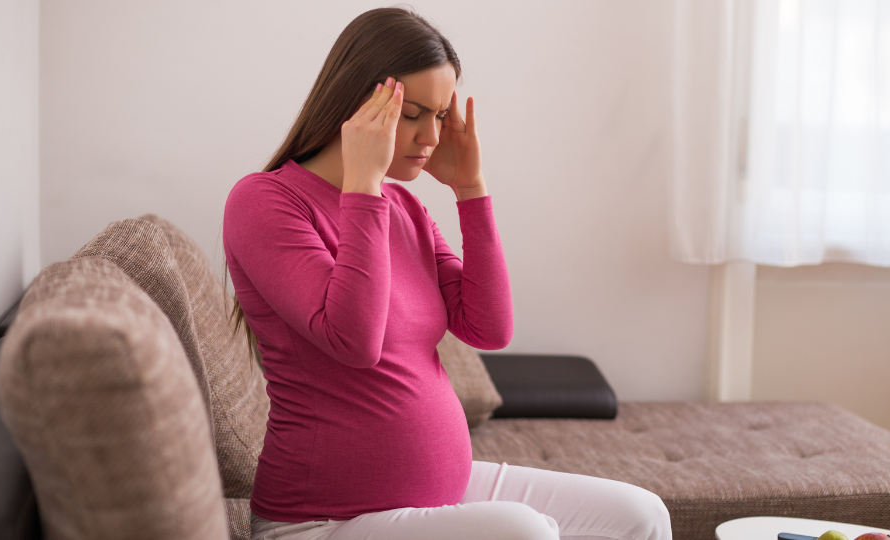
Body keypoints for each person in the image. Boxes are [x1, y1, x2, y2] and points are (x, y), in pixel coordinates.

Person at [222, 7, 672, 540]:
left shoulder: (402, 208)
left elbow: (489, 327)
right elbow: (353, 340)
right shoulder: (265, 202)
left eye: (438, 116)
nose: (430, 136)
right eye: (412, 114)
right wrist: (362, 189)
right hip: (321, 521)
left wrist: (470, 190)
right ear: (354, 105)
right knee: (521, 532)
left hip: (437, 493)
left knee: (641, 516)